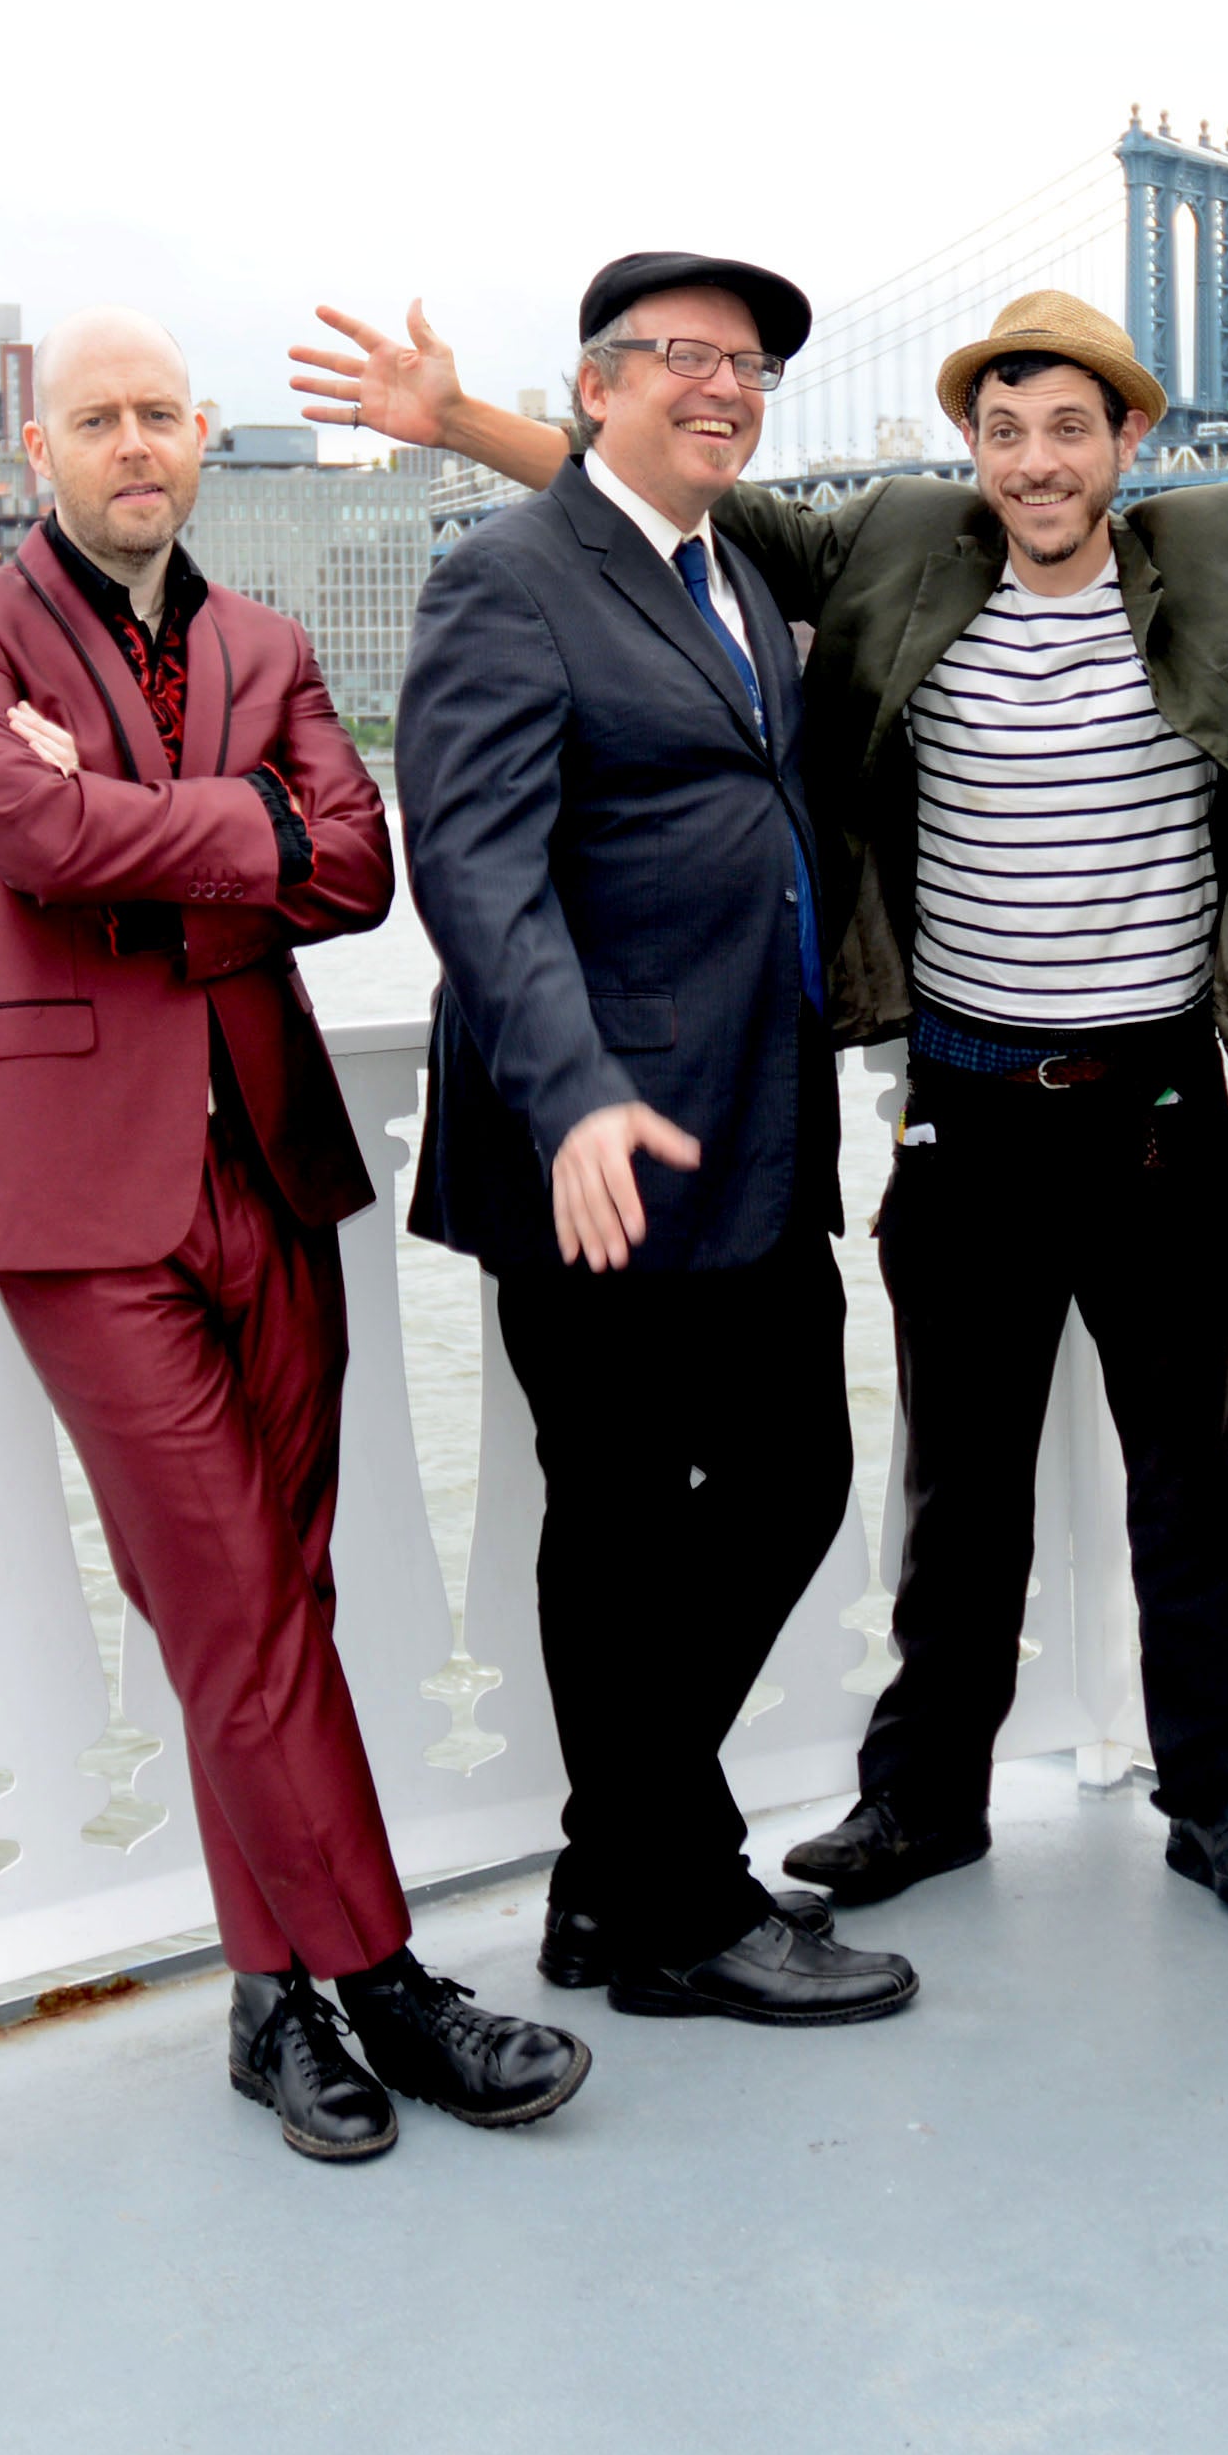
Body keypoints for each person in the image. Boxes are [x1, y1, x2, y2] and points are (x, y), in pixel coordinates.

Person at [292, 287, 1228, 1932]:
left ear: (1129, 439)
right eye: (1003, 431)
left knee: (1197, 1486)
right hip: (967, 1107)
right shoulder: (895, 545)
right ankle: (925, 1796)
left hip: (1157, 1104)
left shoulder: (1226, 547)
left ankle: (1221, 1797)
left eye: (1070, 428)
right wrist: (454, 421)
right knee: (958, 1482)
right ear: (970, 446)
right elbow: (666, 474)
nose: (1036, 463)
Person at [0, 306, 589, 2164]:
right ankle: (393, 1987)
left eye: (162, 417)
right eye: (97, 419)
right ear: (41, 450)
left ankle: (275, 2010)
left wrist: (128, 815)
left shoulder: (268, 642)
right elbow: (21, 829)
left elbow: (355, 868)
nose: (135, 445)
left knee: (276, 1601)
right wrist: (237, 820)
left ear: (200, 439)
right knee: (237, 1604)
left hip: (270, 1162)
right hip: (76, 1190)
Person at [394, 250, 922, 2029]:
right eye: (687, 354)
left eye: (751, 367)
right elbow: (473, 866)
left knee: (792, 1479)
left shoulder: (729, 575)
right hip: (597, 1145)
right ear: (597, 385)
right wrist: (570, 1090)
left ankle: (612, 1870)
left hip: (751, 1126)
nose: (726, 387)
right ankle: (679, 1907)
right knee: (620, 1520)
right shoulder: (508, 579)